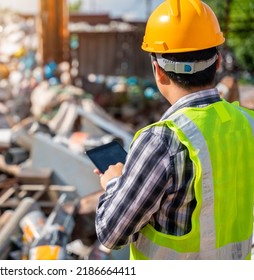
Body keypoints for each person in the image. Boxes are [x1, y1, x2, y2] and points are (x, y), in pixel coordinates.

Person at [94, 0, 254, 260]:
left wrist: (114, 182)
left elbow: (111, 234)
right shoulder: (247, 123)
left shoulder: (162, 141)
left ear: (157, 70)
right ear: (217, 63)